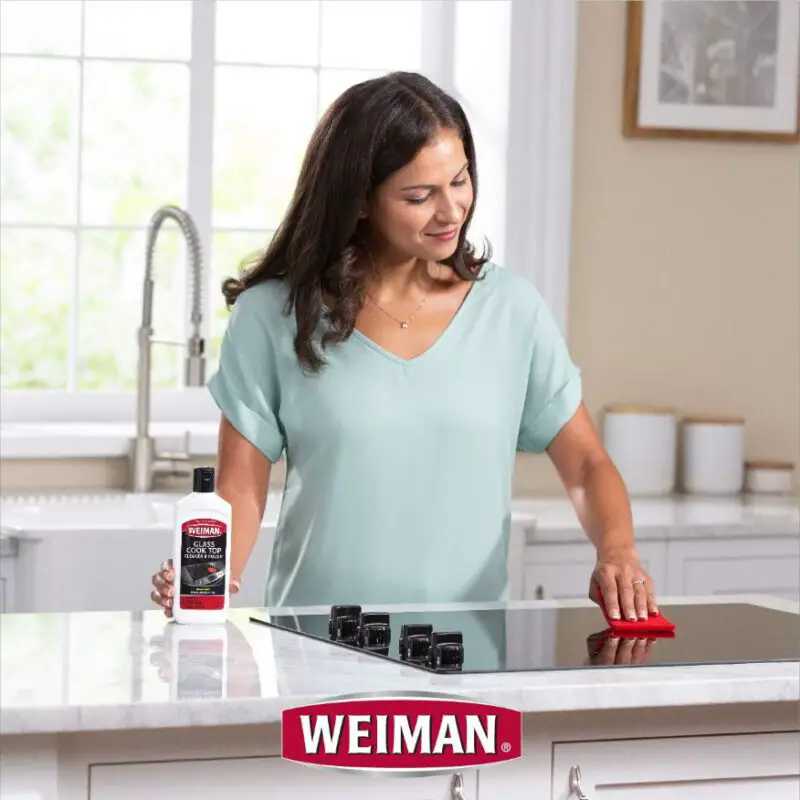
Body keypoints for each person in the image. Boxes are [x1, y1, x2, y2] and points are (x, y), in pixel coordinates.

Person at [150, 71, 659, 624]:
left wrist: (618, 550)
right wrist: (209, 580)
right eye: (419, 196)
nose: (451, 211)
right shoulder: (273, 316)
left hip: (467, 658)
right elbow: (240, 493)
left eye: (460, 181)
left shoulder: (511, 310)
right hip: (315, 647)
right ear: (360, 200)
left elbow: (586, 464)